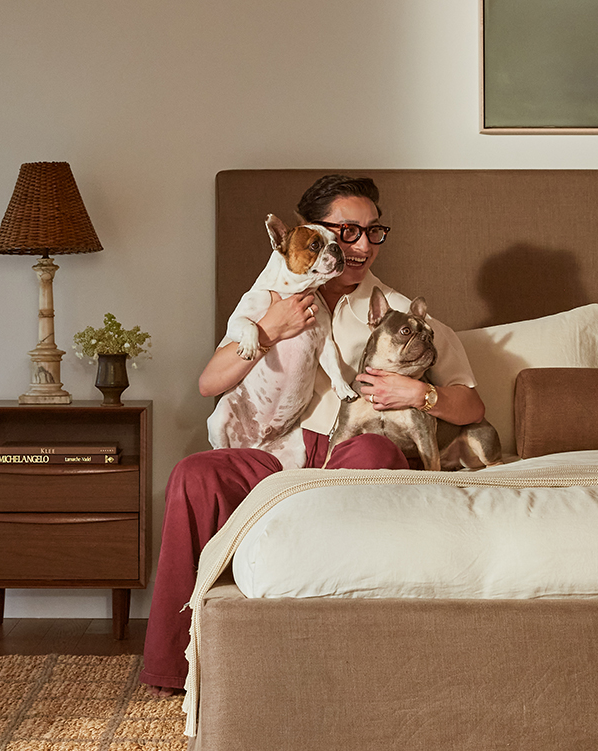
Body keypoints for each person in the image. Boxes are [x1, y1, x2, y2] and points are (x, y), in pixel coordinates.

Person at [139, 173, 482, 695]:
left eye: (373, 231)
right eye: (348, 231)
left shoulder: (399, 312)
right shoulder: (273, 297)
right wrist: (272, 328)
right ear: (309, 232)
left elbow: (470, 401)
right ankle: (172, 670)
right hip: (279, 454)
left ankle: (346, 662)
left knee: (372, 453)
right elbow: (211, 381)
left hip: (354, 450)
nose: (363, 245)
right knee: (193, 475)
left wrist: (420, 395)